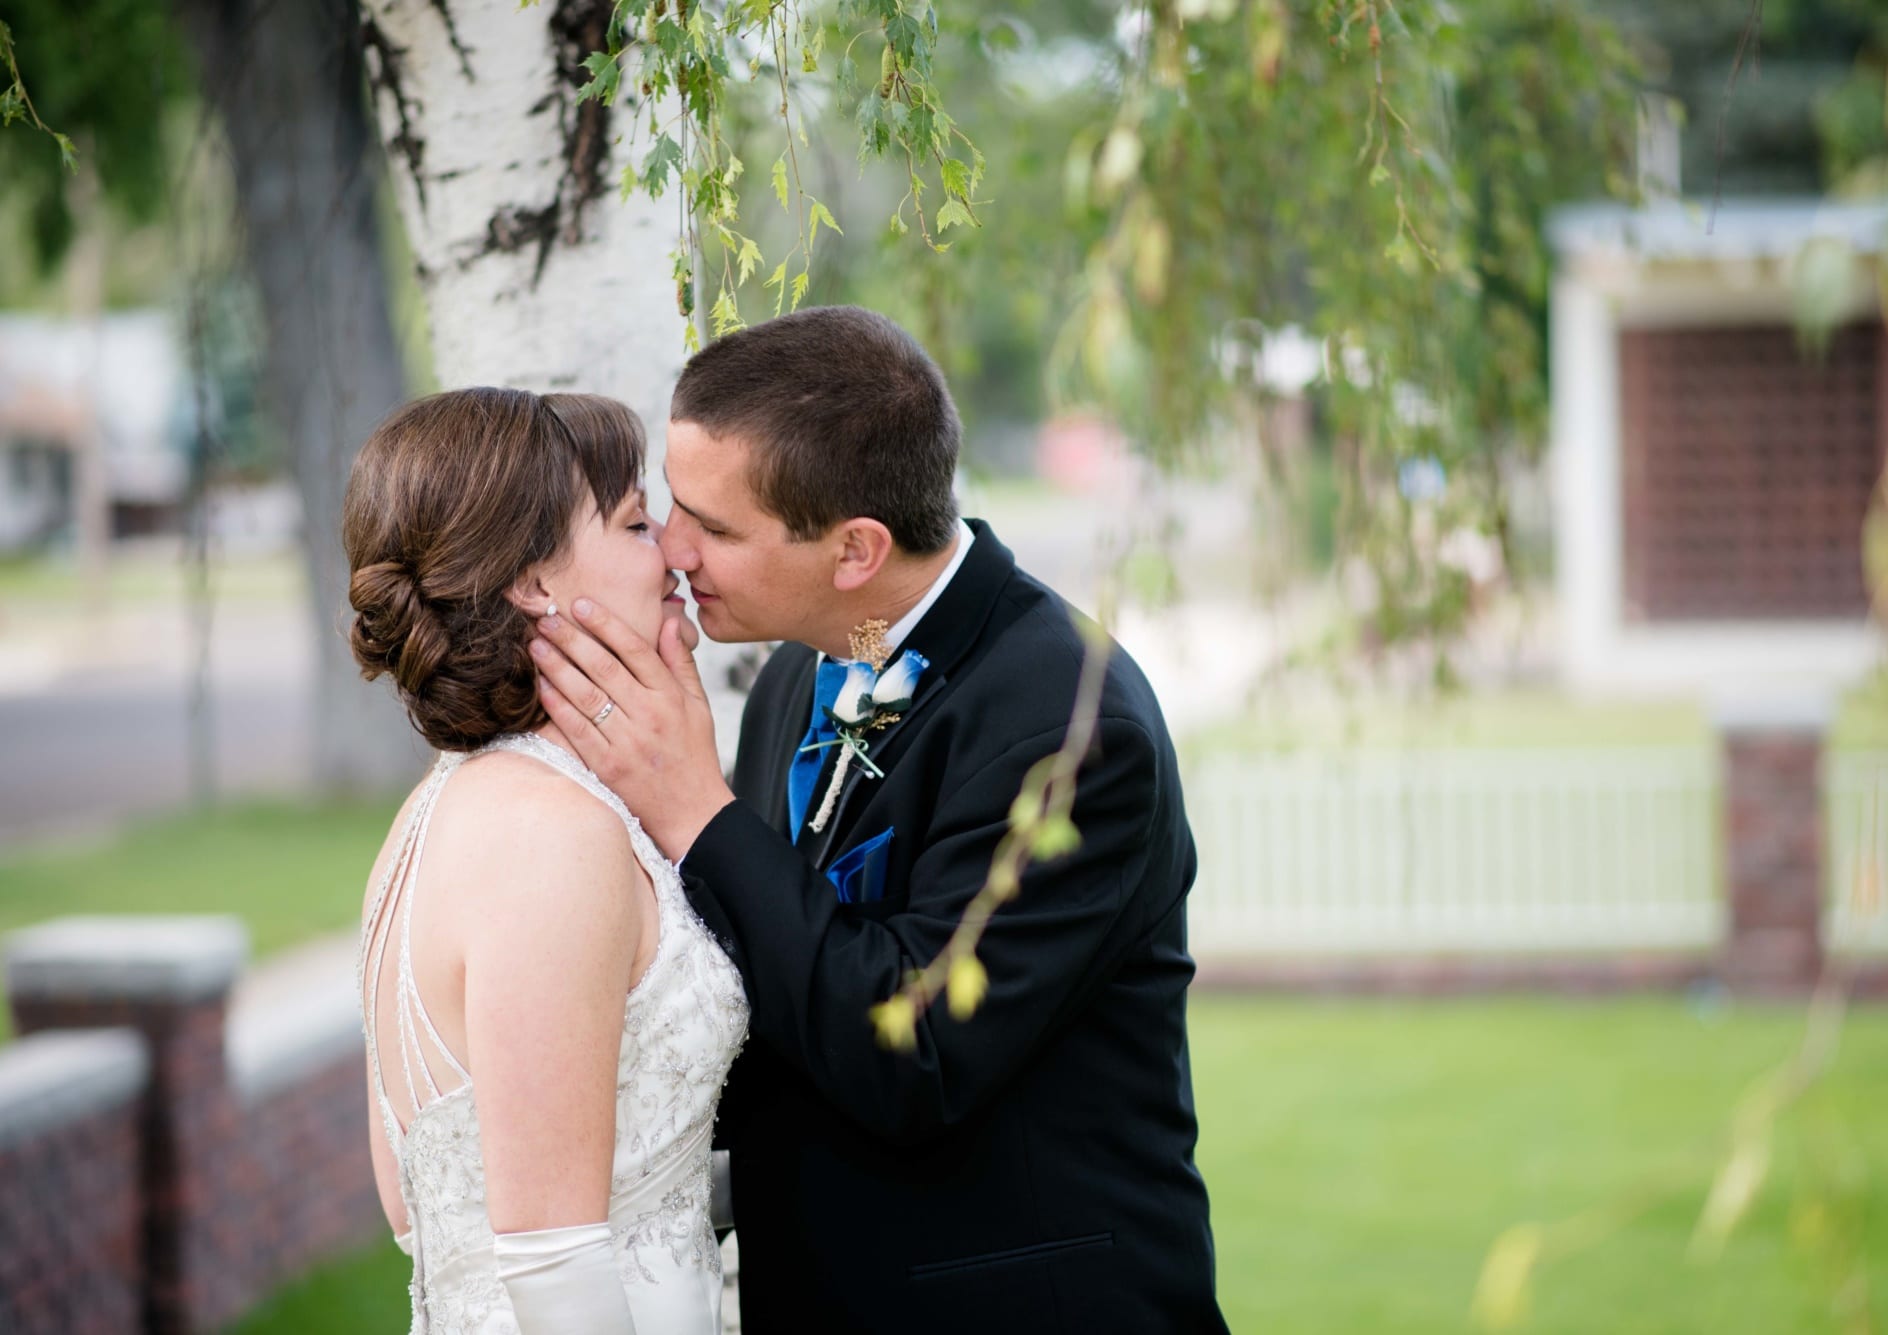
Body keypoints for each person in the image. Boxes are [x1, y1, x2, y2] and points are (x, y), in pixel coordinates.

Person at [533, 305, 1228, 1334]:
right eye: (674, 508)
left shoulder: (1070, 732)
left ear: (855, 549)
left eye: (714, 527)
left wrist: (695, 812)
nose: (673, 548)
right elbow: (762, 980)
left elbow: (915, 1056)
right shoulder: (795, 672)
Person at [344, 388, 747, 1334]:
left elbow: (417, 1203)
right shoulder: (548, 837)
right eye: (637, 522)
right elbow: (554, 1261)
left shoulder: (432, 812)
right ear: (533, 583)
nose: (672, 554)